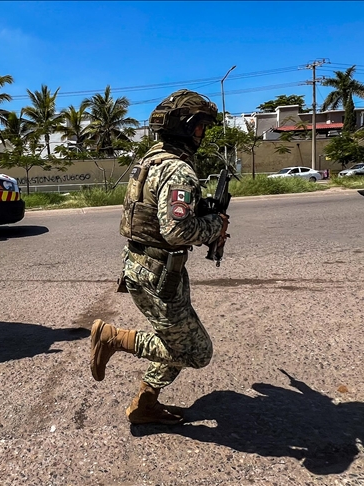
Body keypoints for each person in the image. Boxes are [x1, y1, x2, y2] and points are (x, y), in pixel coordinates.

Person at [89, 89, 228, 424]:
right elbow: (177, 231)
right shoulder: (178, 170)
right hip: (157, 273)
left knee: (176, 338)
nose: (203, 134)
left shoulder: (149, 160)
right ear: (186, 127)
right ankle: (113, 338)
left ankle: (145, 404)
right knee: (195, 351)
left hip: (145, 266)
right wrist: (215, 225)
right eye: (199, 127)